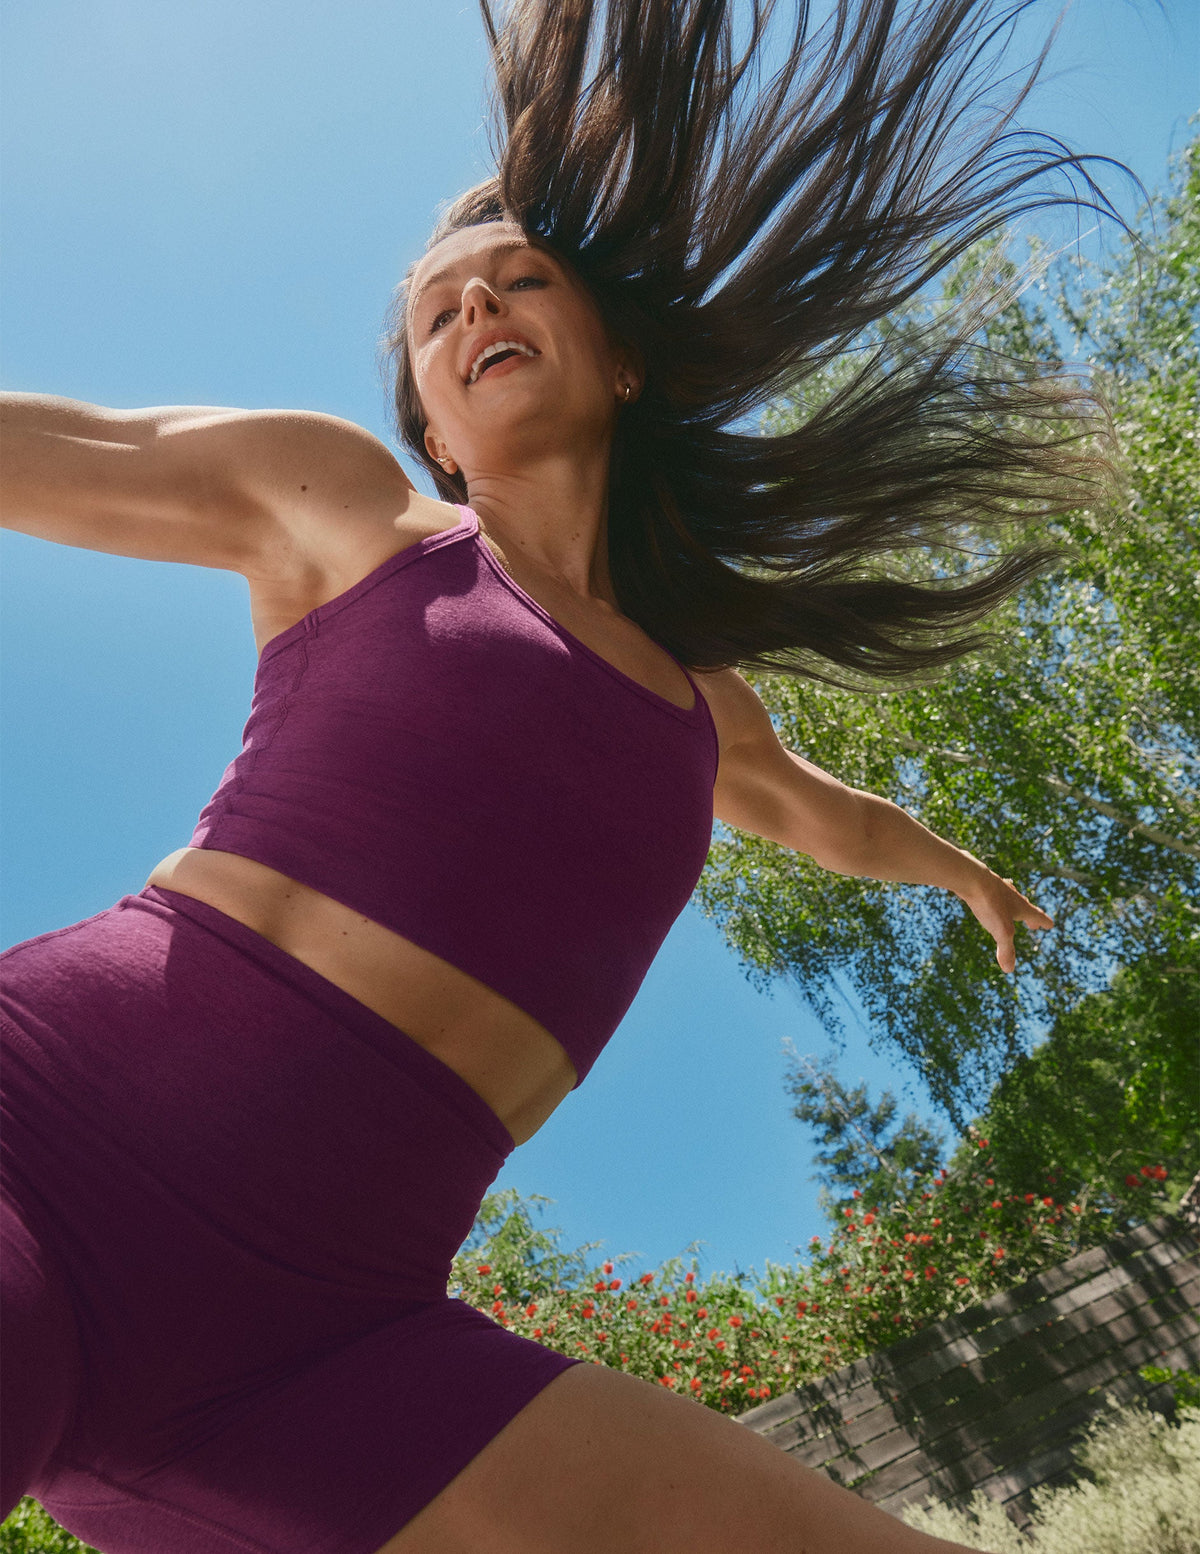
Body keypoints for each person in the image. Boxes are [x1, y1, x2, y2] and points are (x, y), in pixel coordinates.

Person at [1, 1, 1121, 1550]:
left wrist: (962, 872)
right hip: (50, 1152)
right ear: (437, 435)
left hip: (336, 1346)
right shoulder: (347, 514)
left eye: (519, 279)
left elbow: (821, 812)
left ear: (625, 362)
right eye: (438, 311)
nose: (473, 309)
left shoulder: (695, 705)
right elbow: (53, 447)